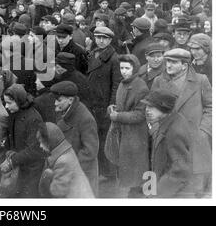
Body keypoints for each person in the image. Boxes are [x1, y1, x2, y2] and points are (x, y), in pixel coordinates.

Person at [151, 49, 212, 197]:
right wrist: (155, 130)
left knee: (191, 191)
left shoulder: (201, 80)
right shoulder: (159, 80)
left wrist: (203, 132)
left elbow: (211, 107)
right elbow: (151, 108)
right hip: (165, 141)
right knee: (163, 189)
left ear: (184, 65)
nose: (168, 65)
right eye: (168, 61)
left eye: (173, 62)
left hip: (193, 144)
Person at [106, 54, 149, 197]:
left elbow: (140, 115)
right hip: (125, 132)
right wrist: (113, 108)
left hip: (135, 134)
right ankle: (134, 191)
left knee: (136, 167)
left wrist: (118, 116)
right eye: (121, 68)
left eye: (127, 68)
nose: (123, 71)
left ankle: (138, 193)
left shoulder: (140, 87)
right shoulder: (123, 83)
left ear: (134, 68)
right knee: (129, 167)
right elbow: (122, 105)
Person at [142, 89, 195, 198]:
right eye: (146, 106)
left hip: (175, 194)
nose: (147, 110)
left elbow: (180, 170)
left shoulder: (174, 130)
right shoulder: (169, 121)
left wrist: (157, 194)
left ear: (164, 108)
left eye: (152, 107)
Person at [50, 81, 99, 196]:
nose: (55, 103)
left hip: (82, 173)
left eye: (59, 100)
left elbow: (90, 151)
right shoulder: (64, 111)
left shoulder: (85, 118)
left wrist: (70, 166)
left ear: (70, 100)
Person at [87, 26, 122, 180]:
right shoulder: (93, 53)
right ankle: (102, 170)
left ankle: (108, 171)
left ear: (109, 40)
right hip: (93, 102)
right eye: (98, 37)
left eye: (104, 38)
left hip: (104, 104)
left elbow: (116, 84)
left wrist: (112, 104)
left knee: (105, 139)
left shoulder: (113, 58)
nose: (101, 41)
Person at [0, 84, 46, 198]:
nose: (6, 106)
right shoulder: (15, 113)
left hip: (30, 172)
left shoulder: (33, 118)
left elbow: (35, 150)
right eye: (5, 102)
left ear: (19, 101)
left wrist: (12, 161)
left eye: (9, 102)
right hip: (20, 167)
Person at [37, 122, 94, 198]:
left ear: (50, 141)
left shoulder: (63, 161)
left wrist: (47, 178)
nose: (40, 145)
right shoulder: (64, 152)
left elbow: (57, 191)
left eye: (42, 142)